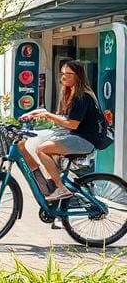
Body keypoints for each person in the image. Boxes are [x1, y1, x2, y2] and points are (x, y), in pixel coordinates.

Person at [18, 59, 106, 201]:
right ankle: (47, 185)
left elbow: (72, 124)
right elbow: (62, 117)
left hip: (85, 140)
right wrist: (35, 113)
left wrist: (47, 114)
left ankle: (61, 188)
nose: (63, 77)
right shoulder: (68, 93)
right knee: (23, 143)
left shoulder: (82, 96)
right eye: (62, 73)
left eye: (68, 74)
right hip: (72, 136)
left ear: (78, 76)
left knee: (41, 149)